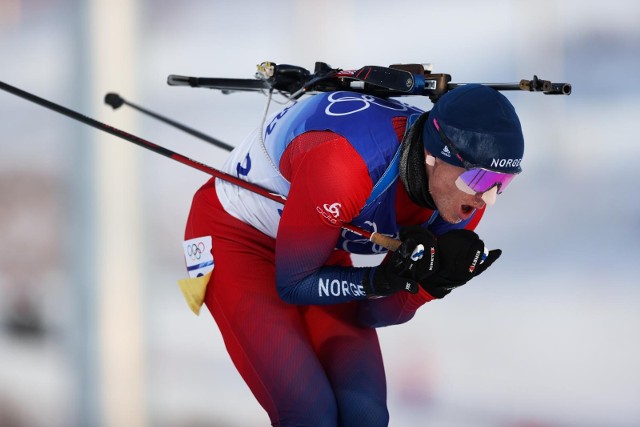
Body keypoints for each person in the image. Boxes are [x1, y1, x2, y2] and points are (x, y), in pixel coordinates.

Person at [181, 84, 524, 427]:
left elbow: (370, 311)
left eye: (502, 182)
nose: (488, 198)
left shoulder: (464, 201)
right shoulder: (344, 164)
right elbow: (294, 285)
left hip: (317, 243)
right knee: (309, 415)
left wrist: (428, 285)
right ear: (434, 154)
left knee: (366, 416)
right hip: (235, 237)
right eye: (480, 177)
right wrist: (381, 279)